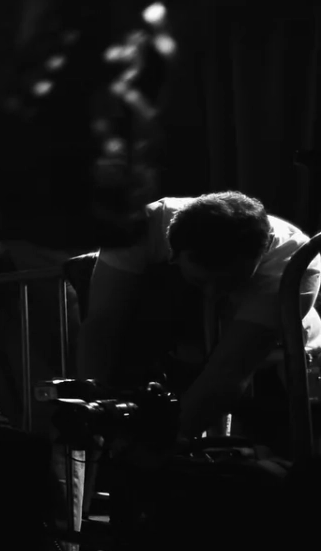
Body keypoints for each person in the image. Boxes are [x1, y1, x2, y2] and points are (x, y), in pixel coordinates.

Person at [79, 191, 320, 448]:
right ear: (173, 254)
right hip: (183, 354)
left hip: (280, 369)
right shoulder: (143, 226)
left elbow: (228, 374)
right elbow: (101, 325)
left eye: (230, 282)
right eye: (200, 281)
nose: (212, 294)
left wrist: (157, 447)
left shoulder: (292, 265)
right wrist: (92, 407)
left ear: (258, 257)